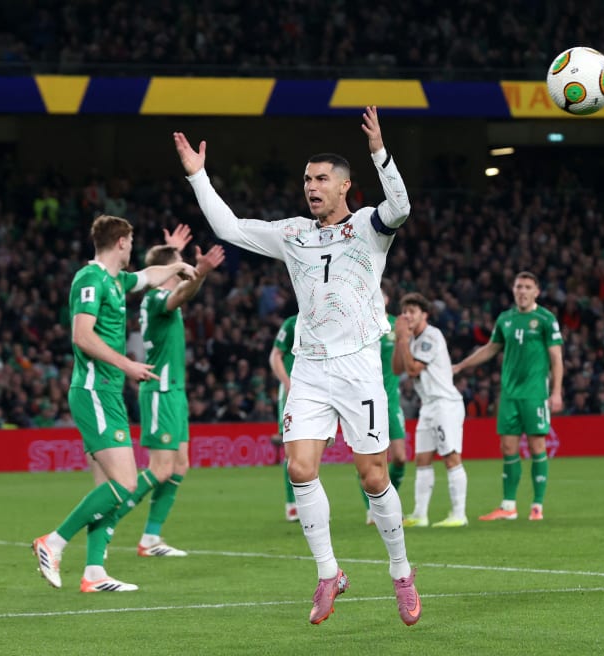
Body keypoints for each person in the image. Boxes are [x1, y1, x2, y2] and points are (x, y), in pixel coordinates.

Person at [174, 106, 421, 626]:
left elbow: (399, 206)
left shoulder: (368, 226)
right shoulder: (291, 234)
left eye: (321, 179)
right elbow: (230, 226)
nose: (311, 186)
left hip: (358, 367)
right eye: (307, 179)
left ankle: (401, 572)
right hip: (309, 367)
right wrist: (198, 175)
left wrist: (381, 152)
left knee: (373, 477)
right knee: (300, 468)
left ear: (345, 187)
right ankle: (329, 572)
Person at [32, 214, 196, 593]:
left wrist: (179, 265)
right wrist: (127, 365)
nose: (133, 248)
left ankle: (93, 573)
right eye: (132, 241)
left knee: (106, 487)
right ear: (121, 241)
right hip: (94, 390)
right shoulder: (90, 279)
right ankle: (52, 542)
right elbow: (81, 336)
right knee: (124, 482)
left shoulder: (116, 281)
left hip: (106, 392)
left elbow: (150, 276)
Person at [136, 225, 226, 556]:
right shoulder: (158, 298)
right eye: (179, 262)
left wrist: (171, 250)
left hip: (175, 392)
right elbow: (182, 293)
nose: (184, 264)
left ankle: (150, 538)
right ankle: (108, 514)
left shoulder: (161, 296)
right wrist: (200, 272)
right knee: (159, 469)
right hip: (160, 392)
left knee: (179, 466)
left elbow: (181, 285)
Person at [452, 271, 564, 522]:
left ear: (536, 291)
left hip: (535, 394)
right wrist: (461, 366)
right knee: (508, 448)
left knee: (537, 447)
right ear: (513, 291)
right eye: (518, 287)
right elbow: (490, 348)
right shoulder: (506, 319)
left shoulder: (545, 319)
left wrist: (556, 392)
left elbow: (556, 357)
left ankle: (537, 506)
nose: (522, 291)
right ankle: (508, 506)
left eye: (527, 287)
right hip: (510, 395)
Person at [393, 292, 468, 528]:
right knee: (422, 459)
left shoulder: (431, 336)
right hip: (428, 405)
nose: (407, 315)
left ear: (424, 314)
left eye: (412, 311)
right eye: (404, 311)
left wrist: (404, 341)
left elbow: (413, 370)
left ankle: (459, 514)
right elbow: (397, 369)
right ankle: (420, 514)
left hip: (445, 403)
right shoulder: (411, 339)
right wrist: (399, 339)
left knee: (450, 456)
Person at [362, 288, 407, 525]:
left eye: (381, 293)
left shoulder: (394, 326)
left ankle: (388, 499)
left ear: (388, 299)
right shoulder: (359, 323)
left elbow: (401, 367)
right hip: (365, 400)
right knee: (368, 460)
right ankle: (374, 508)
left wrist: (402, 339)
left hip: (391, 399)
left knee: (399, 457)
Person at [269, 313, 300, 522]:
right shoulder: (291, 324)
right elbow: (275, 356)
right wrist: (287, 383)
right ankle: (292, 505)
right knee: (291, 450)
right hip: (292, 394)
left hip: (317, 393)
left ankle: (306, 503)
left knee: (312, 450)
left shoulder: (325, 318)